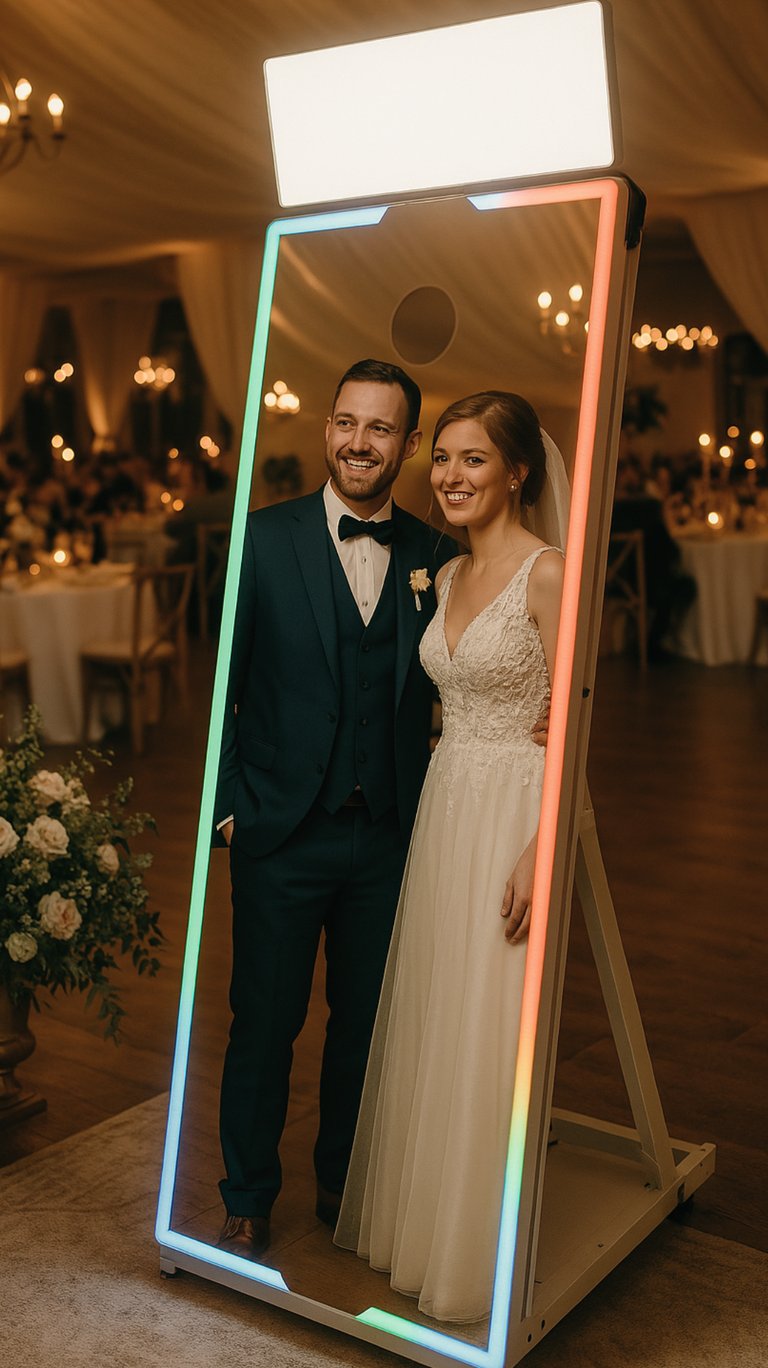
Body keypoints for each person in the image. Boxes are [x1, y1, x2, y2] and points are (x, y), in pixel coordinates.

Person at [212, 358, 462, 1260]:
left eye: (381, 428)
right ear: (327, 429)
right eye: (348, 422)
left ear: (409, 443)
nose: (361, 442)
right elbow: (224, 689)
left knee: (365, 1027)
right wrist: (230, 808)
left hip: (386, 839)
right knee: (263, 1026)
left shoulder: (437, 555)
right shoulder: (261, 538)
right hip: (278, 832)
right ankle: (246, 1196)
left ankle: (341, 1186)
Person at [335, 391, 568, 1325]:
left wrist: (541, 847)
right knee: (438, 1009)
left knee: (489, 1019)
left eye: (474, 459)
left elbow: (583, 721)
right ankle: (420, 1227)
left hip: (514, 811)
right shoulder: (446, 570)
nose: (451, 476)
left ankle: (474, 1255)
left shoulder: (548, 574)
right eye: (442, 458)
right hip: (446, 805)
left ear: (518, 472)